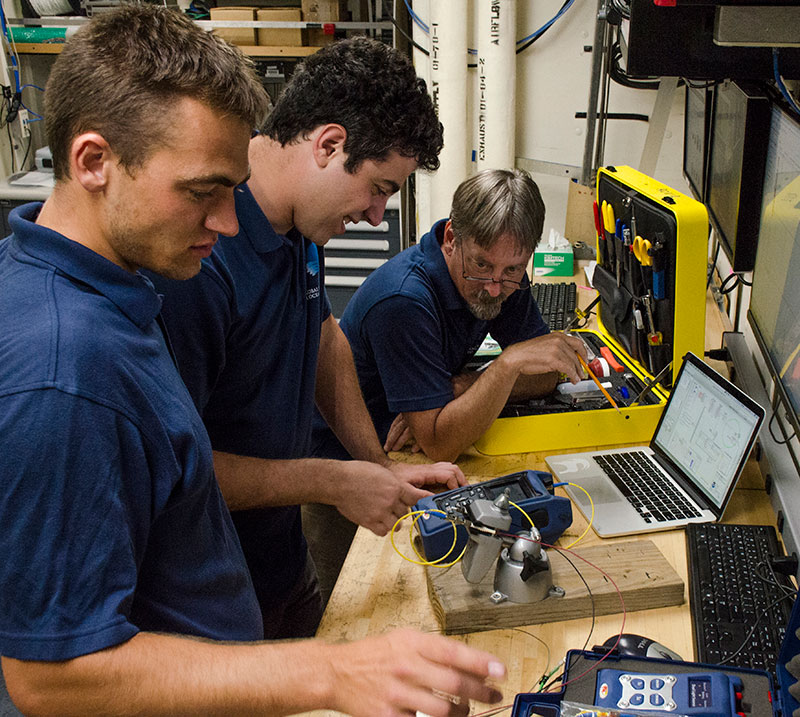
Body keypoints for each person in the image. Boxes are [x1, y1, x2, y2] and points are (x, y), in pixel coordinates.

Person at [0, 8, 506, 715]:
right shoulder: (69, 365)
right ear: (93, 162)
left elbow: (319, 333)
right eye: (204, 191)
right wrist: (329, 673)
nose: (228, 221)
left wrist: (372, 467)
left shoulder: (113, 284)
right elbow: (51, 672)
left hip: (247, 607)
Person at [148, 35, 465, 631]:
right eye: (379, 189)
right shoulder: (200, 256)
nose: (377, 216)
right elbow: (173, 464)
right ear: (329, 144)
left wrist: (375, 465)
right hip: (206, 597)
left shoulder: (299, 226)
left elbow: (325, 341)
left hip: (280, 560)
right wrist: (328, 478)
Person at [312, 168, 589, 465]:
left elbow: (546, 372)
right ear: (451, 239)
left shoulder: (504, 275)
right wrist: (507, 366)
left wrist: (464, 386)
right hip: (352, 468)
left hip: (412, 448)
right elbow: (440, 447)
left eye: (513, 269)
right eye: (480, 265)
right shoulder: (403, 301)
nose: (494, 289)